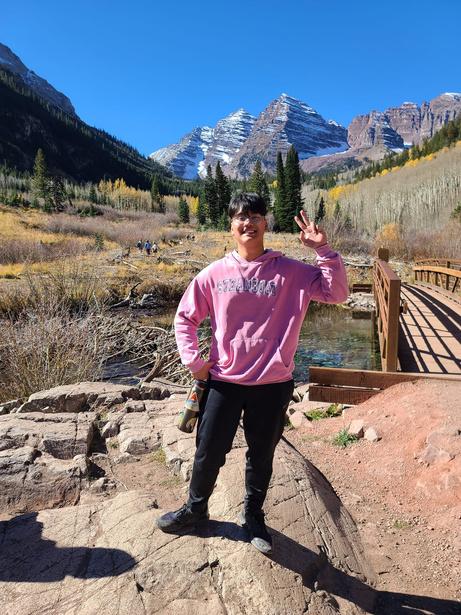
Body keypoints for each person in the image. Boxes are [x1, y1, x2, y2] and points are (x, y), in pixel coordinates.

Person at [156, 192, 348, 554]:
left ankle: (254, 516)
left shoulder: (291, 272)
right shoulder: (214, 274)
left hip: (272, 384)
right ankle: (196, 509)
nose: (248, 223)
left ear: (265, 223)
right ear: (231, 226)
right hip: (224, 382)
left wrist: (323, 251)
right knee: (208, 450)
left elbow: (336, 294)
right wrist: (194, 361)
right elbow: (185, 318)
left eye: (255, 216)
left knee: (261, 455)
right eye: (241, 218)